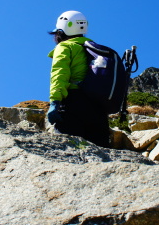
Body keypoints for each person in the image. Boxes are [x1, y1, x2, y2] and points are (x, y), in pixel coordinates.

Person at [46, 10, 111, 147]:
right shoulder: (96, 50)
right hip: (99, 109)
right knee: (101, 153)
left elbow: (60, 73)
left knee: (68, 150)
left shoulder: (65, 46)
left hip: (73, 104)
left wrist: (55, 102)